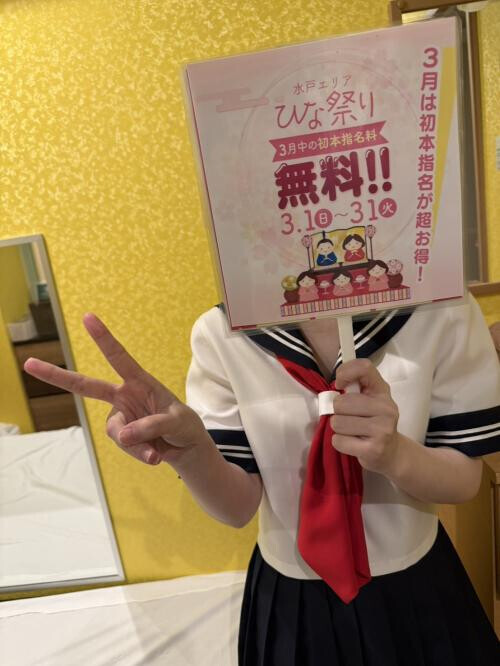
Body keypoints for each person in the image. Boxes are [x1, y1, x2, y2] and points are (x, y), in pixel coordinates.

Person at [24, 291, 500, 665]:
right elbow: (237, 507)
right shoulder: (222, 334)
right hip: (290, 595)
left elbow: (465, 481)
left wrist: (395, 454)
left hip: (416, 586)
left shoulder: (443, 310)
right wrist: (190, 451)